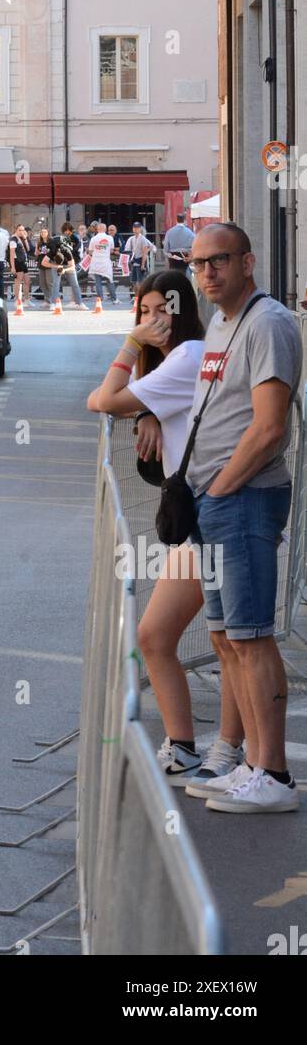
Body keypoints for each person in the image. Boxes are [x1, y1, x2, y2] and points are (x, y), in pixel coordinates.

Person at [86, 272, 246, 784]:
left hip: (218, 512)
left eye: (160, 311)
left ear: (182, 310)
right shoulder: (183, 359)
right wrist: (148, 412)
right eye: (142, 312)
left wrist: (132, 346)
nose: (151, 321)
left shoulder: (188, 355)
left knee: (231, 642)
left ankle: (228, 751)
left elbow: (103, 399)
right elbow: (138, 402)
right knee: (157, 636)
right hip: (200, 518)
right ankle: (185, 747)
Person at [183, 222, 302, 813]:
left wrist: (223, 487)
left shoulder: (269, 323)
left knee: (252, 638)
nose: (206, 272)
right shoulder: (222, 321)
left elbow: (269, 427)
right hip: (217, 499)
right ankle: (253, 762)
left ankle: (274, 776)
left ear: (247, 262)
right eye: (198, 262)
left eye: (219, 260)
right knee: (228, 638)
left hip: (244, 498)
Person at [49, 229, 87, 309]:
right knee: (56, 283)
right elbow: (44, 262)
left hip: (68, 266)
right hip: (56, 265)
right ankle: (53, 303)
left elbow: (72, 266)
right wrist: (56, 266)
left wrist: (64, 270)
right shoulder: (52, 252)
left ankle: (80, 303)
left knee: (75, 284)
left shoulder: (67, 251)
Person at [87, 224, 119, 305]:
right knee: (109, 281)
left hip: (96, 262)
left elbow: (90, 251)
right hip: (106, 262)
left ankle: (100, 299)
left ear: (97, 229)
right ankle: (114, 299)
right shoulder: (110, 238)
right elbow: (112, 250)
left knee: (98, 282)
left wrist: (97, 251)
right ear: (105, 229)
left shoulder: (93, 239)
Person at [125, 222, 153, 290]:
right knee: (134, 281)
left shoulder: (143, 239)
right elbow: (128, 250)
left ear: (140, 229)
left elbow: (144, 252)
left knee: (140, 281)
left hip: (140, 261)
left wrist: (143, 264)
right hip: (134, 261)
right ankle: (136, 297)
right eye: (134, 228)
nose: (136, 229)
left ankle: (141, 296)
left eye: (137, 228)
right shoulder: (132, 238)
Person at [9, 225, 32, 306]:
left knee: (27, 281)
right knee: (18, 281)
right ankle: (17, 301)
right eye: (20, 230)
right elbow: (11, 255)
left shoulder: (21, 238)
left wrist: (25, 238)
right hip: (17, 262)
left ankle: (27, 300)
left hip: (23, 262)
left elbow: (28, 249)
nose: (21, 231)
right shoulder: (13, 239)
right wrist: (13, 267)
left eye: (22, 230)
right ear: (16, 230)